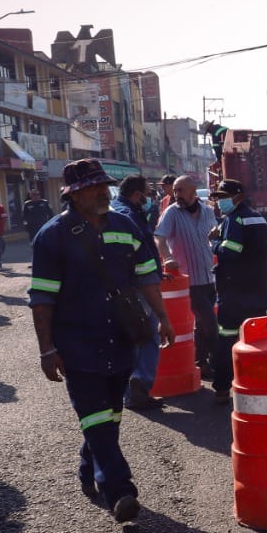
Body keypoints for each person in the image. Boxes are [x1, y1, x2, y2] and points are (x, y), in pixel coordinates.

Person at [29, 159, 173, 523]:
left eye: (104, 185)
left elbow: (147, 278)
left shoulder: (126, 226)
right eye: (93, 187)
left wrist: (163, 317)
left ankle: (88, 467)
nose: (103, 192)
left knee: (108, 418)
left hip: (122, 340)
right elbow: (42, 299)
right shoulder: (52, 236)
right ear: (74, 195)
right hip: (77, 346)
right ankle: (121, 491)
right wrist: (47, 350)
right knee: (96, 419)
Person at [208, 179, 267, 404]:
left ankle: (222, 388)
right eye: (218, 197)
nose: (220, 201)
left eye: (224, 197)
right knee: (257, 339)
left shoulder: (234, 220)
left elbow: (230, 252)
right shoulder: (259, 218)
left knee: (226, 338)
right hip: (257, 289)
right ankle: (259, 384)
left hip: (233, 292)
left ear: (238, 196)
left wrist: (214, 243)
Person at [154, 176, 218, 379]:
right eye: (175, 190)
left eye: (180, 190)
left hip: (209, 276)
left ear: (193, 191)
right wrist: (168, 257)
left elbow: (215, 234)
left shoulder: (208, 211)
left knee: (201, 323)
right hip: (189, 281)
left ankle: (201, 362)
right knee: (210, 322)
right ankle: (220, 361)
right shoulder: (172, 212)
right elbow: (160, 237)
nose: (176, 194)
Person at [110, 175, 162, 410]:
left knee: (140, 337)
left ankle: (136, 388)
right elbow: (137, 257)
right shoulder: (127, 215)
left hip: (130, 287)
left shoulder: (123, 210)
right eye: (148, 193)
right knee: (147, 336)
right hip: (137, 288)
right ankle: (137, 387)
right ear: (137, 194)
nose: (150, 197)